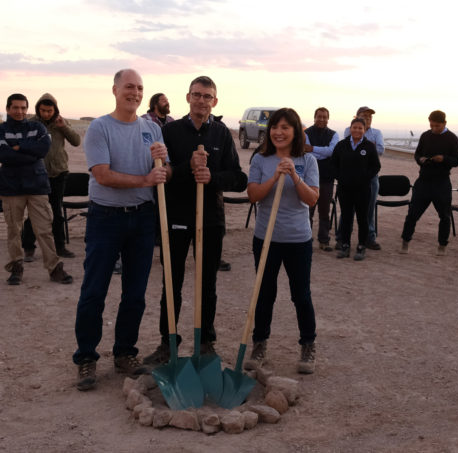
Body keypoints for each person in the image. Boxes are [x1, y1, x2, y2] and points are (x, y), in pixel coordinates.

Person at [72, 69, 169, 391]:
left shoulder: (152, 128)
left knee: (135, 293)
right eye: (129, 87)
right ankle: (86, 357)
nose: (136, 93)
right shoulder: (100, 128)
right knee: (94, 291)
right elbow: (102, 174)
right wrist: (145, 180)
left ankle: (125, 352)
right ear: (115, 90)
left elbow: (162, 172)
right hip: (106, 218)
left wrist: (163, 163)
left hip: (142, 219)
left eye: (140, 88)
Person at [142, 76, 247, 365]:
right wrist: (187, 169)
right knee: (171, 281)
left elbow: (239, 179)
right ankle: (168, 342)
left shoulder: (222, 134)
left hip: (211, 219)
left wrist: (213, 177)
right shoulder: (171, 131)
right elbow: (164, 173)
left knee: (207, 283)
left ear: (215, 101)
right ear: (188, 97)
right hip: (176, 216)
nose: (202, 101)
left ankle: (205, 343)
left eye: (207, 96)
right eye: (197, 95)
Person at [243, 107, 319, 374]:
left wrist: (295, 177)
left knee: (301, 295)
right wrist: (275, 176)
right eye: (275, 127)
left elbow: (311, 200)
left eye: (285, 127)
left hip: (298, 239)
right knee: (264, 294)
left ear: (296, 131)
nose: (279, 132)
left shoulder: (308, 161)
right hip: (266, 238)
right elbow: (253, 195)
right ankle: (259, 343)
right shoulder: (261, 160)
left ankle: (308, 345)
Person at [0, 93, 73, 286]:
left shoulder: (37, 127)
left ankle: (55, 268)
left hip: (37, 186)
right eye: (15, 108)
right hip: (11, 187)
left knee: (44, 229)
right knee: (14, 230)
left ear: (27, 109)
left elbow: (42, 150)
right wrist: (29, 151)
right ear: (8, 109)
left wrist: (18, 148)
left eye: (22, 108)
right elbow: (3, 155)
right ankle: (16, 267)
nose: (19, 112)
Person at [22, 93, 81, 261]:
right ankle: (28, 247)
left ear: (55, 109)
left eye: (49, 110)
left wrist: (64, 127)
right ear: (37, 109)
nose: (46, 114)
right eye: (43, 110)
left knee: (56, 210)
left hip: (59, 173)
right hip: (37, 174)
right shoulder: (31, 123)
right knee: (35, 212)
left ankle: (60, 246)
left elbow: (76, 141)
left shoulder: (61, 121)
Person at [400, 110, 458, 255]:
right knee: (412, 214)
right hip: (424, 181)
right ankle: (405, 242)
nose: (434, 129)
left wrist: (443, 159)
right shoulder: (425, 136)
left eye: (437, 126)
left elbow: (456, 161)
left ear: (444, 123)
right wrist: (420, 159)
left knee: (445, 216)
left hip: (442, 182)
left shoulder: (452, 138)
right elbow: (417, 153)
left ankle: (442, 245)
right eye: (431, 125)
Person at [331, 118, 381, 261]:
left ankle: (361, 246)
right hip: (344, 189)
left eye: (360, 128)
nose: (357, 130)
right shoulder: (342, 145)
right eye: (355, 127)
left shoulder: (369, 146)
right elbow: (333, 164)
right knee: (346, 217)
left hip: (363, 189)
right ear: (350, 128)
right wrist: (340, 177)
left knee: (362, 218)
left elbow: (376, 166)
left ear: (364, 130)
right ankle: (345, 245)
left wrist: (365, 177)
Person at [340, 106, 384, 250]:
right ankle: (342, 238)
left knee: (368, 210)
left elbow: (380, 150)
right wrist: (369, 146)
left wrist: (366, 146)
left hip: (369, 178)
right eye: (364, 116)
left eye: (370, 117)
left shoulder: (377, 132)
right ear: (356, 117)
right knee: (347, 211)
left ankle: (368, 239)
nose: (368, 119)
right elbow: (349, 147)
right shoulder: (349, 130)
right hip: (349, 178)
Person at [305, 107, 339, 251]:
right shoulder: (306, 133)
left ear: (328, 119)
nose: (322, 119)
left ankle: (324, 241)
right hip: (308, 178)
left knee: (324, 211)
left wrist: (312, 148)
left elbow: (332, 151)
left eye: (325, 117)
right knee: (308, 210)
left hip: (326, 177)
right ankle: (305, 239)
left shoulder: (334, 134)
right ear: (314, 117)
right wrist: (322, 151)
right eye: (319, 116)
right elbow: (305, 152)